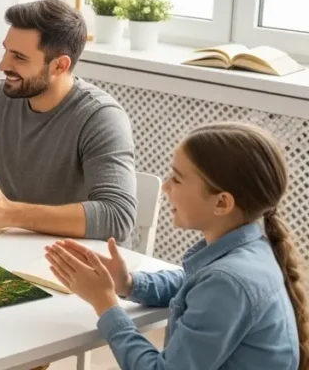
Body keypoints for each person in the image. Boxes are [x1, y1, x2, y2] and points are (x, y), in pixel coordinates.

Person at [46, 122, 307, 370]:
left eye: (178, 179)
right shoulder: (250, 247)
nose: (166, 187)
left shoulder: (228, 281)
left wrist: (105, 304)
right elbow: (191, 282)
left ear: (222, 203)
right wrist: (127, 282)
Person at [0, 0, 137, 244]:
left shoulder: (101, 117)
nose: (3, 64)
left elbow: (117, 217)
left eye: (19, 57)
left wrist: (11, 213)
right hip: (22, 247)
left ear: (59, 65)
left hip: (86, 264)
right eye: (6, 50)